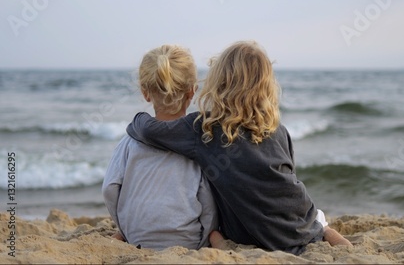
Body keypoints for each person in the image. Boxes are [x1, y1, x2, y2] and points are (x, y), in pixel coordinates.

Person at [126, 40, 352, 255]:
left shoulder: (204, 128)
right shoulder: (278, 130)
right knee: (317, 219)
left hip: (250, 236)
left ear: (219, 82)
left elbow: (149, 131)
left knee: (219, 222)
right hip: (301, 225)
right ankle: (329, 234)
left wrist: (138, 118)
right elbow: (288, 173)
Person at [102, 44, 218, 250]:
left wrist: (125, 228)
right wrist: (203, 241)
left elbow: (109, 188)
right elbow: (207, 201)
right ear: (192, 91)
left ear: (145, 92)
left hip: (137, 238)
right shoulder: (199, 143)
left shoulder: (129, 142)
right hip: (187, 242)